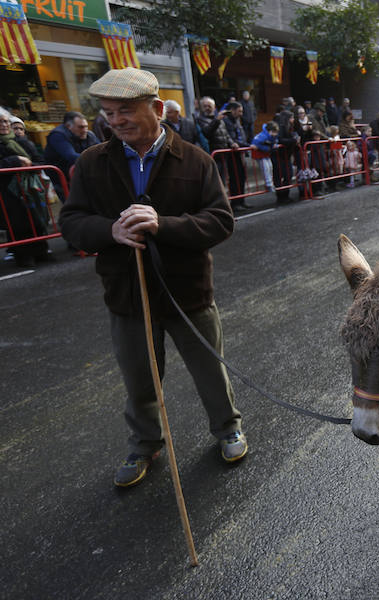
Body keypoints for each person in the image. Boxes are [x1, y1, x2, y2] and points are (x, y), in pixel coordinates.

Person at [58, 67, 246, 488]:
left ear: (157, 109)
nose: (115, 121)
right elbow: (70, 221)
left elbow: (220, 221)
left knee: (209, 371)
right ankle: (145, 444)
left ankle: (227, 428)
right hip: (126, 295)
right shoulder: (92, 163)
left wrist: (164, 225)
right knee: (139, 378)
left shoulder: (196, 160)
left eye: (126, 111)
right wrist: (110, 231)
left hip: (188, 293)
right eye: (108, 113)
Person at [0, 108, 51, 267]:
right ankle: (23, 256)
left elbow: (39, 160)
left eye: (6, 121)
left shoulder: (22, 141)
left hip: (31, 189)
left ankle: (41, 251)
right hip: (8, 191)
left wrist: (31, 165)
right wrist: (14, 160)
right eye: (0, 122)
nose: (4, 125)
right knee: (17, 223)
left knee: (37, 218)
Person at [44, 111, 100, 198]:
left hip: (81, 176)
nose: (85, 130)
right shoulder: (58, 135)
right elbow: (71, 156)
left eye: (86, 126)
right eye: (80, 127)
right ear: (68, 126)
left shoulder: (89, 135)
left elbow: (101, 151)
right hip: (62, 179)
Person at [250, 121, 279, 194]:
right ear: (269, 131)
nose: (275, 134)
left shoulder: (272, 136)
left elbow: (274, 142)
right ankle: (268, 184)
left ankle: (271, 183)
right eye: (273, 132)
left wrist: (274, 146)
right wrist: (268, 148)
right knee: (265, 167)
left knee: (270, 166)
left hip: (265, 154)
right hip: (259, 155)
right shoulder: (262, 136)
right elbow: (255, 144)